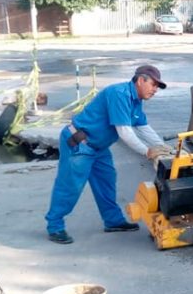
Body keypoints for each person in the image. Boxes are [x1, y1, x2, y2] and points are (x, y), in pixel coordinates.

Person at [45, 65, 173, 244]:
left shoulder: (136, 100)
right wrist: (147, 151)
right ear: (140, 80)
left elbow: (143, 127)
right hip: (80, 144)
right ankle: (55, 226)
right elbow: (124, 132)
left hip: (99, 147)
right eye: (153, 84)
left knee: (107, 182)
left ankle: (113, 221)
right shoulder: (119, 94)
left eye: (158, 87)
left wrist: (164, 148)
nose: (155, 90)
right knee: (70, 186)